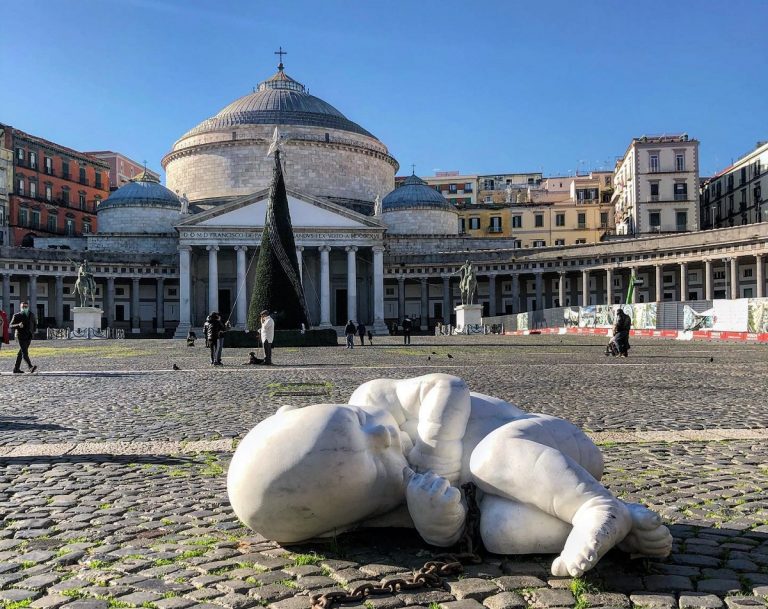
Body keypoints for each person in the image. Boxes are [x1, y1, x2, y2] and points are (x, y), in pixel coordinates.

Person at [228, 374, 672, 578]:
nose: (382, 434)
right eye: (376, 465)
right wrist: (435, 520)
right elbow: (455, 531)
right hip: (515, 494)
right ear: (346, 524)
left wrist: (432, 462)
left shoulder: (376, 396)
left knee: (490, 456)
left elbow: (449, 386)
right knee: (498, 531)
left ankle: (593, 504)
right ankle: (622, 523)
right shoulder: (381, 505)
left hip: (549, 442)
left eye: (354, 420)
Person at [9, 301, 37, 374]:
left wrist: (33, 331)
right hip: (21, 336)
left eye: (26, 307)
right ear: (20, 307)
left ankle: (16, 368)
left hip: (29, 336)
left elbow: (34, 323)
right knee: (24, 352)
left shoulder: (31, 315)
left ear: (28, 307)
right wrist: (18, 325)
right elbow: (11, 325)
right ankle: (30, 367)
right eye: (23, 307)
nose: (25, 308)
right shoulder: (17, 315)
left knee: (21, 353)